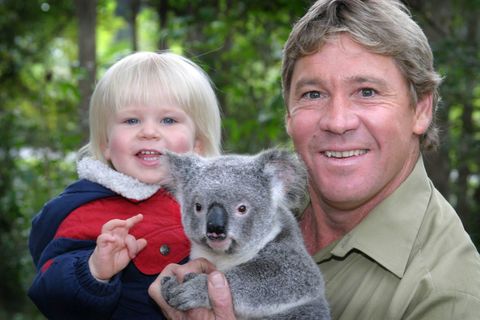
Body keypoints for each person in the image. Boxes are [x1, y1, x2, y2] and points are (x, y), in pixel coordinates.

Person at [149, 0, 480, 319]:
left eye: (367, 92)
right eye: (313, 94)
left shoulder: (449, 294)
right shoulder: (260, 195)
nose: (338, 122)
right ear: (289, 116)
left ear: (421, 110)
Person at [28, 51, 222, 319]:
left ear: (198, 144)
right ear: (106, 144)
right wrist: (94, 269)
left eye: (168, 120)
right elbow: (50, 292)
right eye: (131, 120)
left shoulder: (219, 207)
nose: (149, 132)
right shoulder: (87, 211)